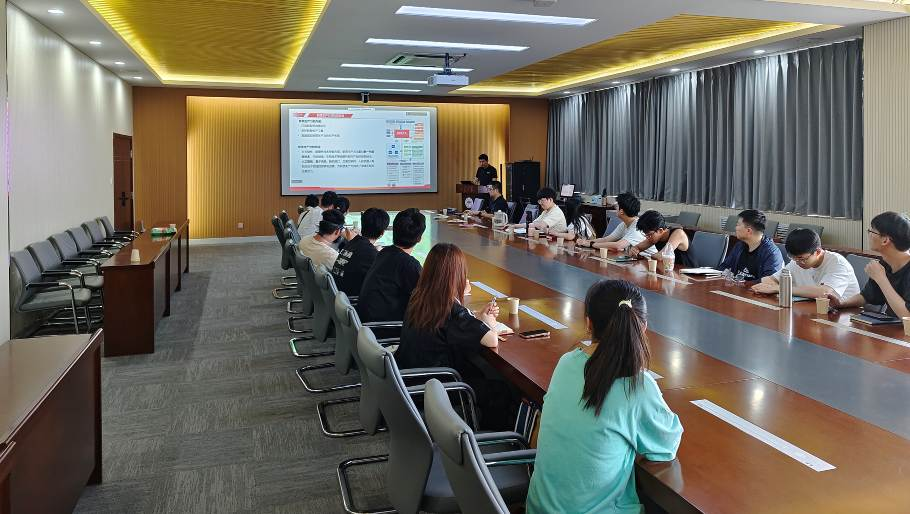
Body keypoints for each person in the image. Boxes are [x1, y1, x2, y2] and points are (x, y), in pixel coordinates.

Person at [526, 280, 683, 514]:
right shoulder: (637, 385)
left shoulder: (566, 362)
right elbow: (665, 446)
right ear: (643, 328)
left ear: (588, 323)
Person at [397, 243, 500, 374]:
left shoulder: (419, 296)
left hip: (409, 374)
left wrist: (478, 317)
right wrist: (490, 322)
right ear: (458, 276)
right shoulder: (450, 310)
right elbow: (492, 340)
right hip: (438, 381)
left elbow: (454, 324)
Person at [828, 212, 910, 318]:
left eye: (872, 231)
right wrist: (841, 303)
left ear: (885, 240)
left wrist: (881, 279)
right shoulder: (885, 263)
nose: (869, 235)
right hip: (891, 325)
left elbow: (907, 316)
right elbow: (866, 296)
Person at [358, 208, 426, 322]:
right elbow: (428, 300)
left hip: (366, 324)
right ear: (419, 239)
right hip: (384, 327)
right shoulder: (408, 264)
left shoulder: (384, 252)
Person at [751, 228, 860, 299]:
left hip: (845, 315)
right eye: (793, 258)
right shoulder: (797, 261)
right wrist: (765, 285)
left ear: (818, 252)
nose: (798, 262)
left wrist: (781, 288)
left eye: (802, 259)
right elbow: (771, 279)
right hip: (812, 308)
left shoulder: (837, 263)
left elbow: (825, 293)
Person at [331, 208, 390, 297]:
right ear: (382, 233)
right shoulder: (371, 254)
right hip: (351, 301)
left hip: (339, 298)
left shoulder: (351, 243)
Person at [717, 209, 783, 280]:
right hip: (736, 285)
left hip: (754, 287)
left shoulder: (771, 253)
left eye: (738, 225)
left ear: (748, 230)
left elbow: (768, 281)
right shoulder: (739, 246)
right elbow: (724, 267)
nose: (735, 228)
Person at [577, 192, 652, 253]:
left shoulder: (637, 227)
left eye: (617, 206)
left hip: (648, 262)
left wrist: (591, 244)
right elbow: (606, 239)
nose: (615, 208)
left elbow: (618, 246)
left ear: (621, 211)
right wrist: (585, 242)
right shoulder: (624, 224)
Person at [629, 210, 694, 267]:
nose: (647, 237)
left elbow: (661, 256)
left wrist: (646, 256)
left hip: (689, 273)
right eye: (646, 235)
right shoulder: (655, 236)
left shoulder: (678, 233)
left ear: (660, 230)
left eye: (649, 235)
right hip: (670, 270)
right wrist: (633, 250)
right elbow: (637, 248)